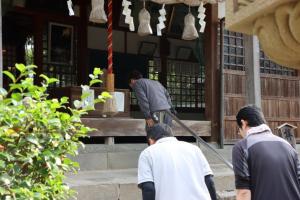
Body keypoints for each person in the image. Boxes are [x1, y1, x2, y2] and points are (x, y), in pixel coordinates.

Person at [232, 105, 300, 200]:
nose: (240, 134)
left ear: (244, 123)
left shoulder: (242, 147)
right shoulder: (288, 145)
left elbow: (243, 192)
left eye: (239, 130)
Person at [138, 123, 217, 200]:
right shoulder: (194, 149)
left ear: (151, 140)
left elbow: (148, 188)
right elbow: (209, 182)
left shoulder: (147, 153)